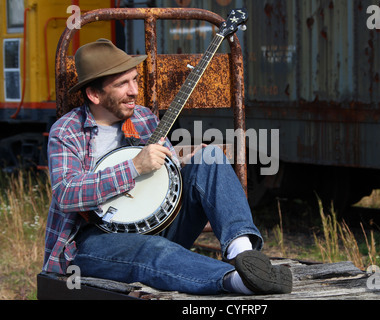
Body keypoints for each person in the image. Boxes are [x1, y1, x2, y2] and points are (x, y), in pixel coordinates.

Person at [42, 38, 292, 295]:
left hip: (159, 224)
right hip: (93, 242)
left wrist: (183, 161)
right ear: (94, 94)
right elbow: (66, 193)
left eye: (135, 80)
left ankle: (243, 254)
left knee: (210, 158)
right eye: (121, 84)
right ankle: (237, 281)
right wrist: (134, 167)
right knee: (151, 250)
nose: (134, 91)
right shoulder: (67, 131)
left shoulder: (143, 117)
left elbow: (166, 176)